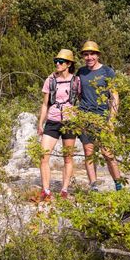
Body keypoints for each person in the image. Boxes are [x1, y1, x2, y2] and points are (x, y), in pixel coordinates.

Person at [77, 40, 126, 191]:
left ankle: (118, 185)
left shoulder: (107, 71)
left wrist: (111, 120)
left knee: (108, 153)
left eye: (92, 54)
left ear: (97, 55)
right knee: (89, 152)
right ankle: (94, 187)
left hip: (103, 117)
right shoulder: (81, 72)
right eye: (86, 54)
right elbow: (80, 94)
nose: (89, 57)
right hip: (86, 118)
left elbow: (115, 96)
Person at [37, 49, 80, 200]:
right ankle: (46, 190)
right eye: (56, 61)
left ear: (69, 64)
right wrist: (40, 123)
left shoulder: (76, 81)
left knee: (67, 158)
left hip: (70, 122)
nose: (57, 64)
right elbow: (45, 104)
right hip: (53, 121)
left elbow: (81, 100)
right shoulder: (50, 80)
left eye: (61, 62)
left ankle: (64, 190)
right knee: (43, 156)